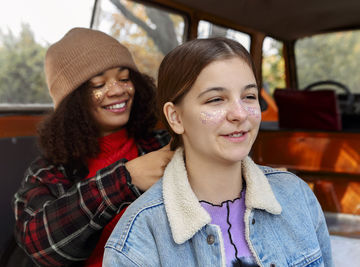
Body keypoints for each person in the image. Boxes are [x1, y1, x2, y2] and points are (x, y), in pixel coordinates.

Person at [103, 37, 333, 267]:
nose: (240, 114)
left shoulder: (297, 195)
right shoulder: (139, 235)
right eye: (216, 100)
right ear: (175, 117)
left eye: (249, 97)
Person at [12, 28, 173, 266]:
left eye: (125, 77)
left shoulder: (163, 144)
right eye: (99, 83)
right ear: (73, 102)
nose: (118, 90)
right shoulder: (48, 172)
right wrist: (126, 179)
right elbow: (40, 245)